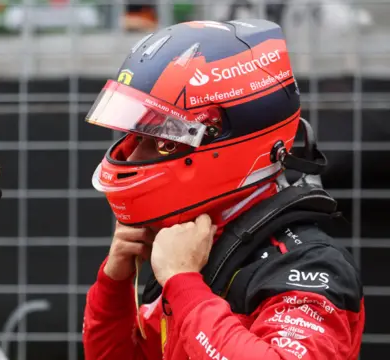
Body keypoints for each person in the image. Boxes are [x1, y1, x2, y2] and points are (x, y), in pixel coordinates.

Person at [82, 19, 364, 359]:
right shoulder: (184, 240)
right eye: (138, 136)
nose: (135, 155)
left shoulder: (310, 267)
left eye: (163, 143)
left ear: (226, 142)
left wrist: (182, 282)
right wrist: (114, 284)